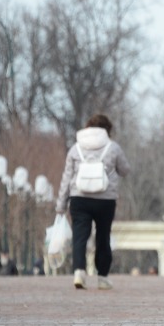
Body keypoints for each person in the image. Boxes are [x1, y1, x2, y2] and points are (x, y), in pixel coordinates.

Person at [55, 113, 131, 291]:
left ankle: (79, 272)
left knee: (80, 236)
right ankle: (102, 277)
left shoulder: (75, 148)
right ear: (107, 130)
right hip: (105, 200)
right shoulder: (113, 148)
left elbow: (66, 178)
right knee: (103, 237)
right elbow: (125, 170)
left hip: (79, 198)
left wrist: (60, 204)